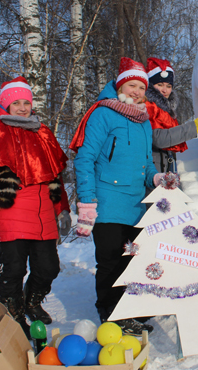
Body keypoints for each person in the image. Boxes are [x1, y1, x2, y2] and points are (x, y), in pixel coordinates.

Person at [70, 57, 167, 334]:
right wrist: (87, 201)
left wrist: (157, 178)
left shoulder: (143, 121)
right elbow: (85, 158)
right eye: (132, 85)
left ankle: (127, 311)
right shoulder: (103, 114)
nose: (137, 91)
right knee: (111, 260)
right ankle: (110, 313)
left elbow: (147, 164)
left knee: (132, 260)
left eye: (141, 87)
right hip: (109, 200)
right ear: (121, 84)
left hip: (135, 204)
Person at [0, 76, 71, 333]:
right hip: (9, 215)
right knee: (13, 270)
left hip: (43, 214)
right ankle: (13, 314)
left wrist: (62, 210)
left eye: (27, 102)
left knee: (49, 267)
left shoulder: (42, 132)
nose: (23, 107)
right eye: (17, 103)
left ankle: (32, 301)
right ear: (6, 105)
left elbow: (55, 176)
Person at [96, 57, 198, 173]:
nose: (164, 90)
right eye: (159, 85)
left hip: (162, 170)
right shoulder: (145, 106)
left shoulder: (166, 110)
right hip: (147, 174)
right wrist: (195, 126)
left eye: (168, 86)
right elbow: (158, 139)